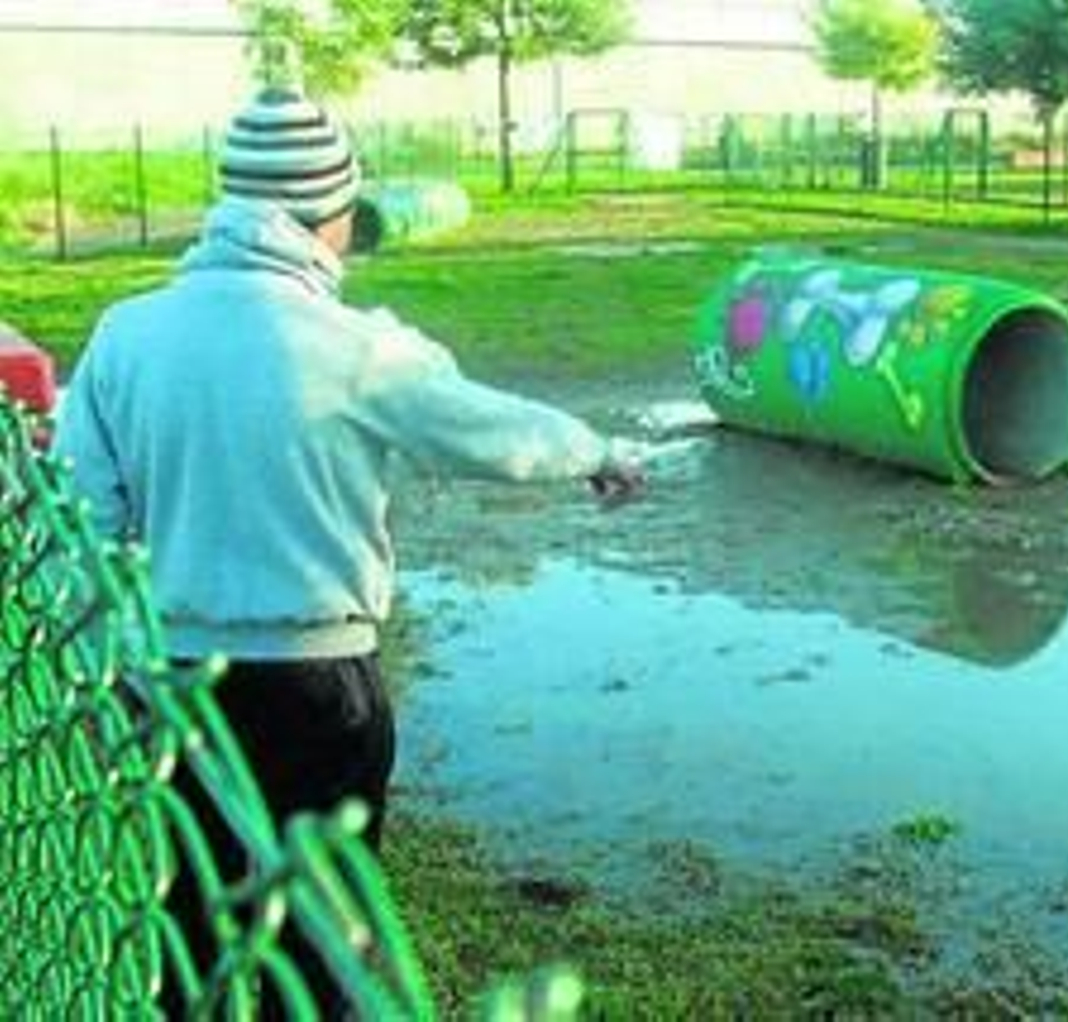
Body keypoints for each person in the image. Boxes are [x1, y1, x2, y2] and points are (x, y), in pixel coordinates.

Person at [51, 85, 643, 1016]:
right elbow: (493, 432)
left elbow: (83, 513)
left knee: (188, 922)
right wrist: (596, 451)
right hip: (315, 685)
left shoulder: (127, 334)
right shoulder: (360, 349)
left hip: (169, 684)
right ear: (326, 214)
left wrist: (97, 669)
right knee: (320, 937)